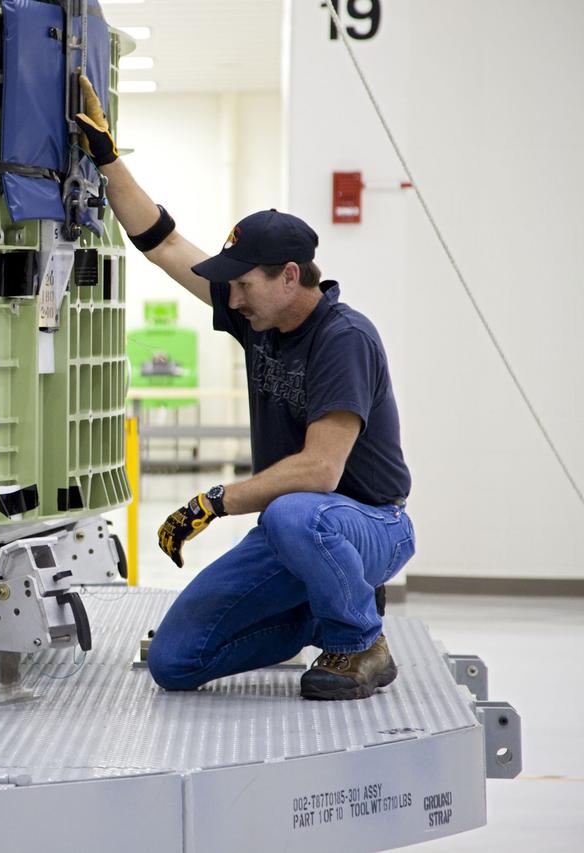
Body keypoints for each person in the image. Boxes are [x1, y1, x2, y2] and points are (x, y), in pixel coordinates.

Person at [75, 76, 415, 700]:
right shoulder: (256, 314)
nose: (229, 297)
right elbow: (164, 243)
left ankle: (359, 641)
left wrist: (212, 501)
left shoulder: (343, 339)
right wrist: (106, 158)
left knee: (291, 512)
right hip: (299, 531)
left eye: (242, 285)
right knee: (175, 663)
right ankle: (315, 614)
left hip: (366, 524)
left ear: (290, 277)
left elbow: (319, 471)